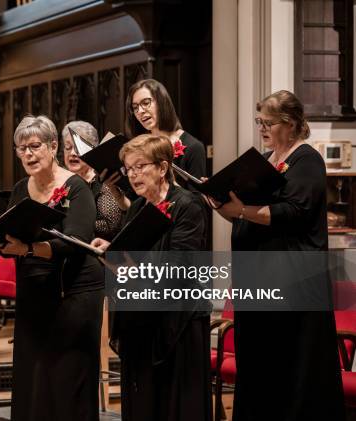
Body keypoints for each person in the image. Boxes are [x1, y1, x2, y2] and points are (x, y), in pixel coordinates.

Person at [211, 90, 345, 421]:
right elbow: (247, 216)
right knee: (259, 367)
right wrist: (222, 206)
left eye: (267, 122)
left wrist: (243, 210)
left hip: (292, 284)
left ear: (290, 123)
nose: (261, 128)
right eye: (259, 121)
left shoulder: (307, 160)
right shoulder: (267, 161)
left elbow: (293, 212)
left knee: (290, 369)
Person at [92, 134, 211, 421]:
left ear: (162, 167)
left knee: (175, 405)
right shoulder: (137, 208)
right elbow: (131, 256)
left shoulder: (188, 205)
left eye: (140, 166)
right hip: (144, 318)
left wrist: (132, 270)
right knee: (144, 402)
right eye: (128, 169)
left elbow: (181, 267)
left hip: (178, 323)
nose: (132, 175)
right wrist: (111, 253)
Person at [0, 115, 104, 421]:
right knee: (34, 379)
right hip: (35, 292)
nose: (28, 154)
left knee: (66, 381)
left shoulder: (76, 188)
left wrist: (27, 248)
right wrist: (4, 242)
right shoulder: (21, 189)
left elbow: (75, 241)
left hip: (74, 293)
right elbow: (12, 231)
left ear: (52, 146)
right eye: (21, 148)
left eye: (34, 146)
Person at [124, 78, 206, 191]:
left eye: (146, 103)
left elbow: (198, 204)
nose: (140, 111)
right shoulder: (139, 147)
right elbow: (134, 204)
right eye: (135, 107)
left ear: (162, 102)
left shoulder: (193, 147)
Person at [61, 120, 123, 240]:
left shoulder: (104, 180)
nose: (72, 153)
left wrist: (72, 225)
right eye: (68, 147)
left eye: (78, 148)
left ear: (94, 149)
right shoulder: (60, 179)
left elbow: (110, 224)